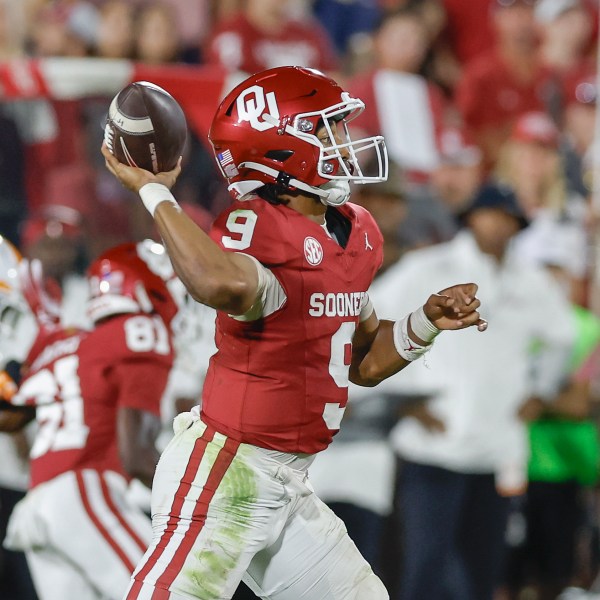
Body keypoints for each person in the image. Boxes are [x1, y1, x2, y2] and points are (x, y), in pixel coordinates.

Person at [101, 65, 487, 600]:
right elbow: (217, 282)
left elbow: (364, 360)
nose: (342, 143)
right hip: (228, 472)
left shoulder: (355, 230)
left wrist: (425, 322)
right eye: (324, 130)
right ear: (278, 148)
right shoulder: (258, 225)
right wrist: (154, 192)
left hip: (288, 481)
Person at [370, 182, 575, 600]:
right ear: (470, 218)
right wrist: (404, 398)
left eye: (507, 217)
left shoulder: (530, 280)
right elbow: (370, 322)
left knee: (483, 571)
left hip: (496, 450)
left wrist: (541, 389)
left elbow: (564, 337)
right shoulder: (429, 267)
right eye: (490, 214)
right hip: (432, 449)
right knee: (424, 569)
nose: (498, 225)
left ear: (518, 225)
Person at [1, 241, 177, 600]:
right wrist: (203, 501)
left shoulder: (66, 345)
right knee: (174, 592)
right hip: (83, 489)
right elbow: (137, 455)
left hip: (37, 507)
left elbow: (9, 417)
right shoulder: (134, 332)